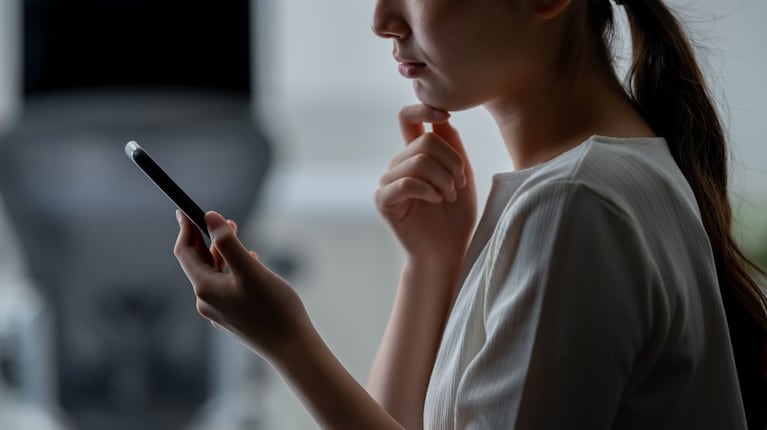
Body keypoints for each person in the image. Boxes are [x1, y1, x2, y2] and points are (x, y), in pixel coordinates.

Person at [173, 0, 767, 428]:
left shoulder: (576, 204)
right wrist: (430, 261)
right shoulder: (601, 182)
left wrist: (285, 340)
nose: (382, 20)